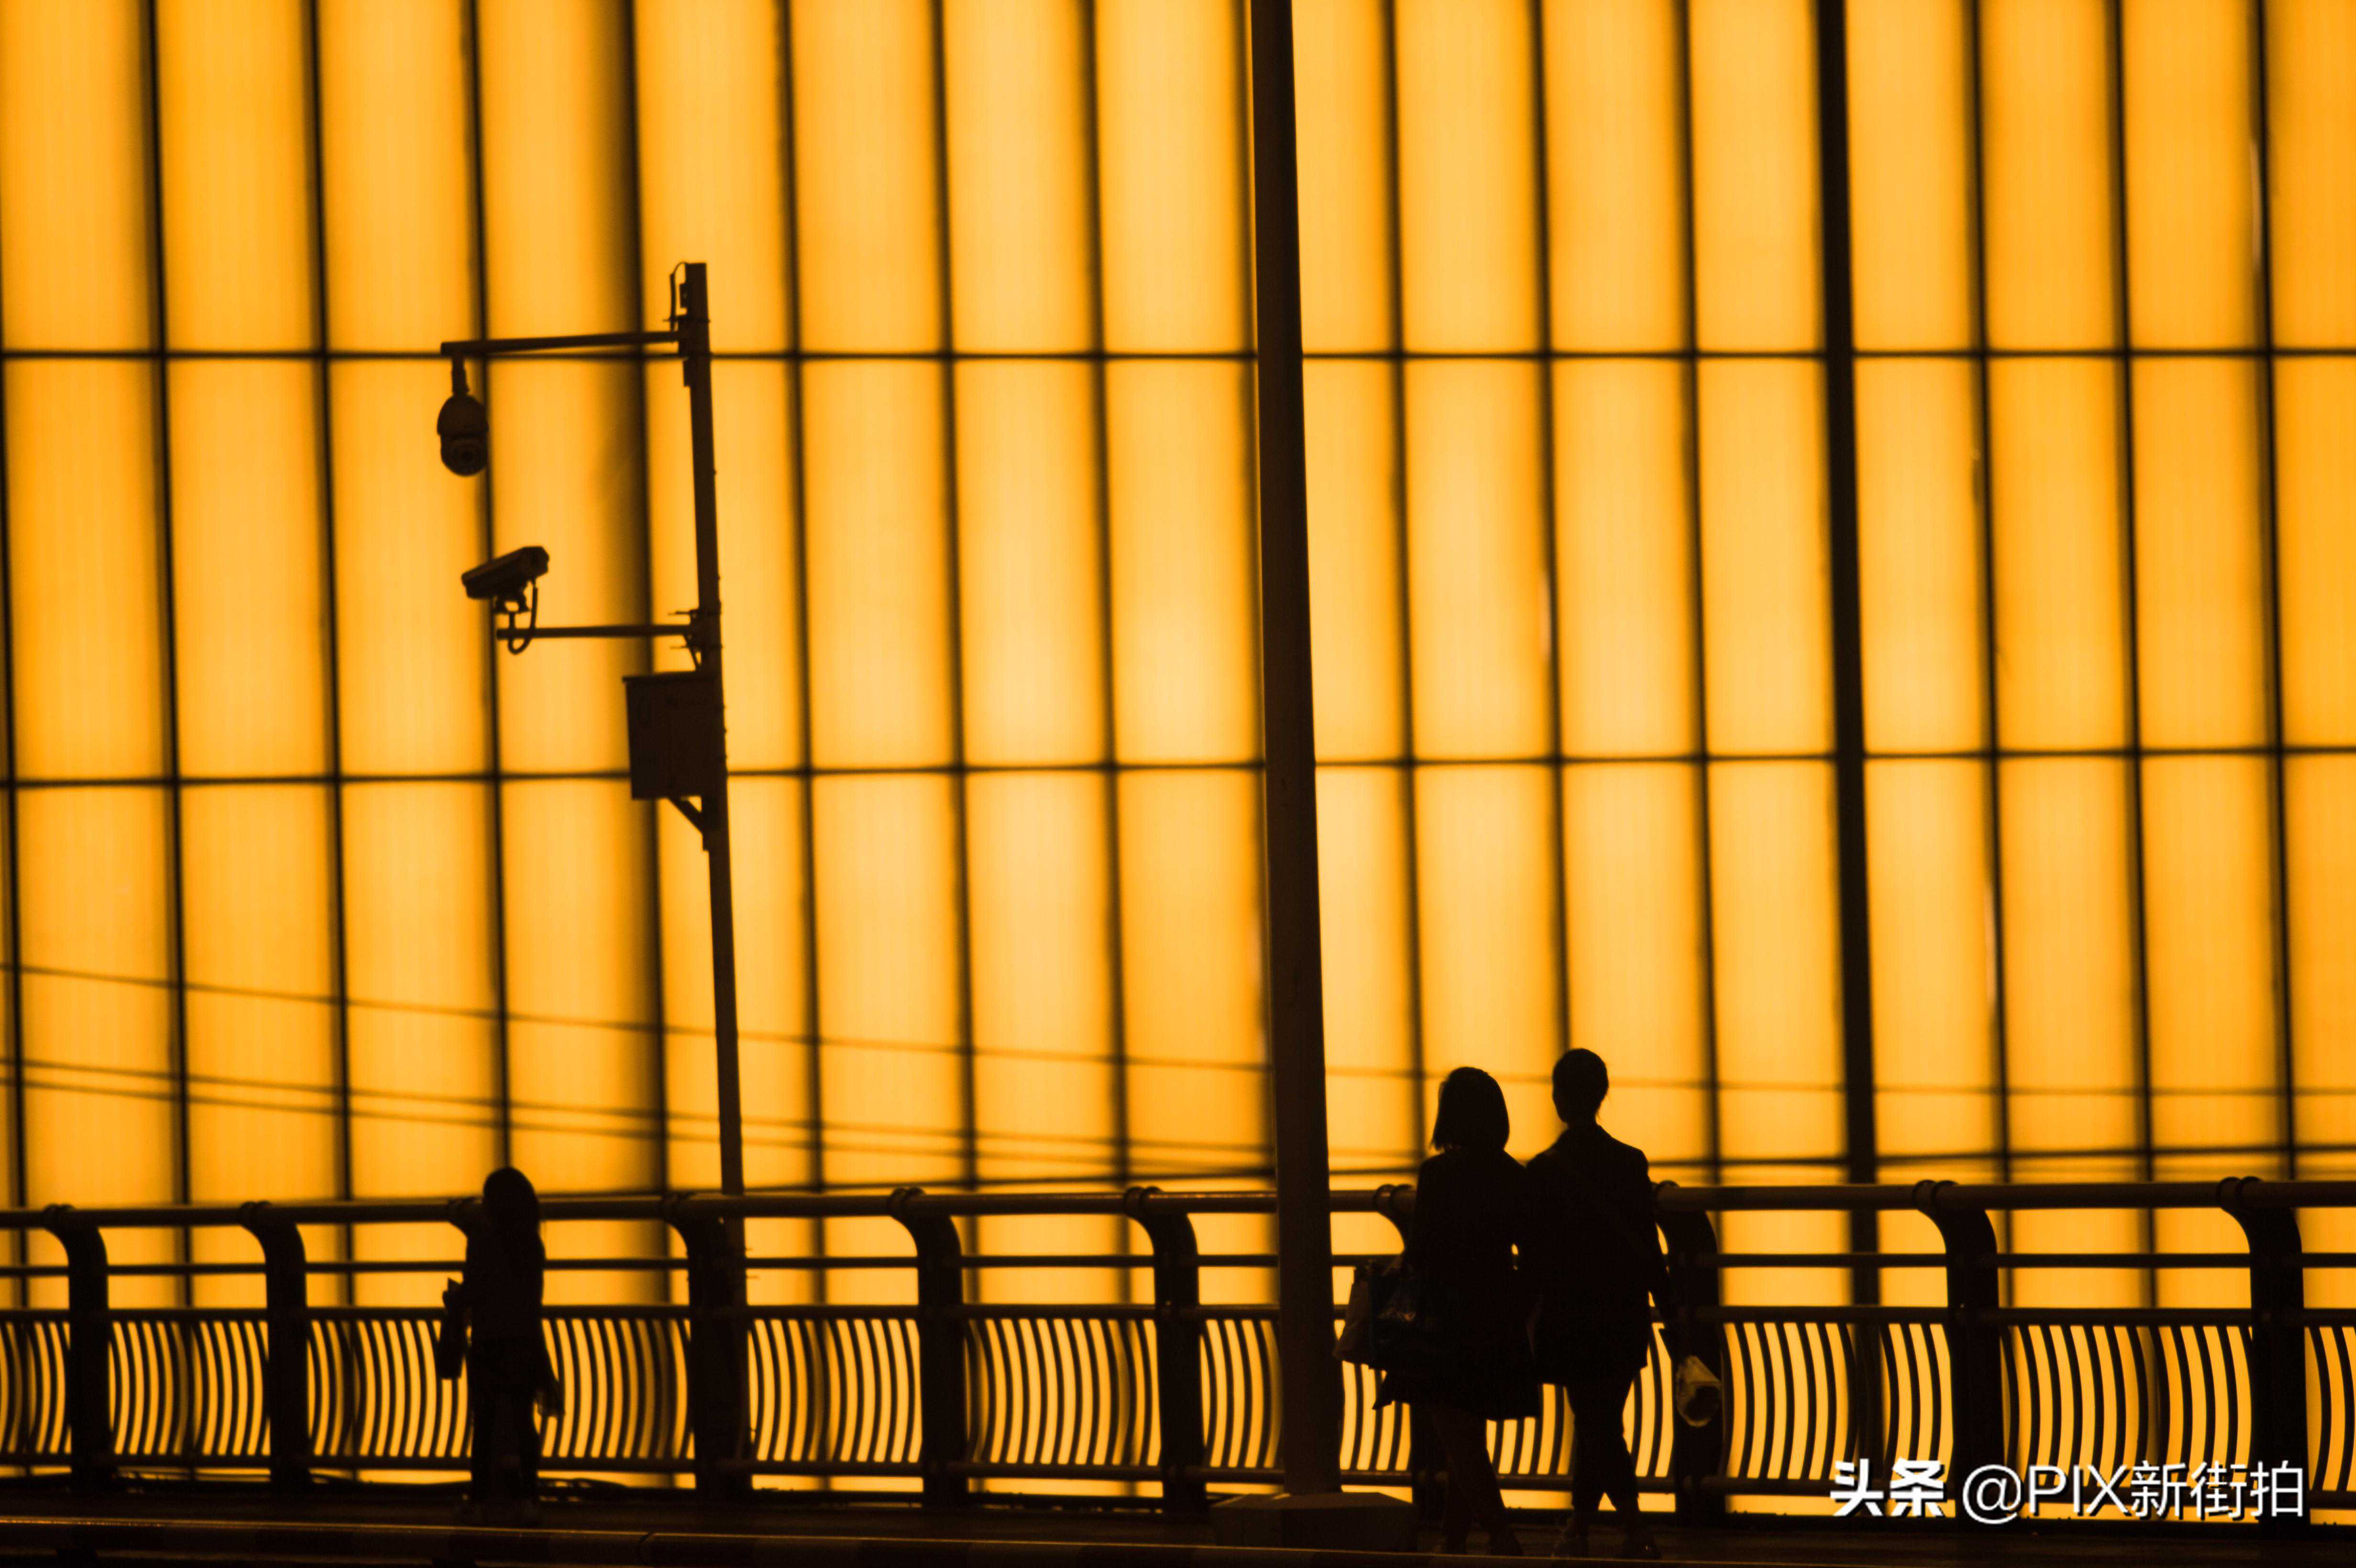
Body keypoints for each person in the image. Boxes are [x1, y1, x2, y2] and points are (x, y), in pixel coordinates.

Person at [1379, 1066, 1541, 1555]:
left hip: (1444, 1321)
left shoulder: (1438, 1174)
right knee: (1466, 1433)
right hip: (1496, 1316)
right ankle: (1452, 1540)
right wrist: (1517, 1307)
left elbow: (1423, 1250)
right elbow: (1533, 1253)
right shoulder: (1514, 1175)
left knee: (1457, 1431)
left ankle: (1501, 1535)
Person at [1524, 1050, 1666, 1560]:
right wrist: (1672, 1311)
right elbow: (1648, 1246)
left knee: (1595, 1421)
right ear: (1603, 1093)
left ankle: (1630, 1527)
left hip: (1570, 1318)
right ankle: (1582, 1526)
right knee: (1601, 1420)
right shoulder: (1630, 1162)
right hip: (1624, 1314)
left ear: (1559, 1098)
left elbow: (1534, 1257)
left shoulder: (1543, 1171)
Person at [438, 1167, 561, 1516]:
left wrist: (456, 1300)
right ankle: (529, 1497)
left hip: (489, 1341)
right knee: (523, 1420)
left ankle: (479, 1500)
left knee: (485, 1423)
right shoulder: (531, 1243)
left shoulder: (483, 1242)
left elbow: (477, 1289)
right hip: (526, 1339)